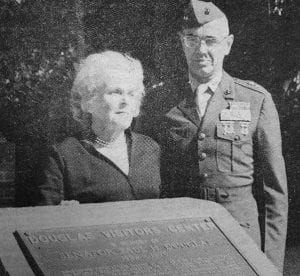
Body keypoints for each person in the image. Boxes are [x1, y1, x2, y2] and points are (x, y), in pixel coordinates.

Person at [157, 0, 288, 272]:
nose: (201, 50)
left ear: (227, 45)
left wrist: (271, 264)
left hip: (241, 239)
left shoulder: (254, 99)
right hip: (183, 241)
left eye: (210, 41)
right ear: (182, 43)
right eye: (192, 40)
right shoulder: (161, 100)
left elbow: (274, 191)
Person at [35, 51, 160, 205]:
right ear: (89, 100)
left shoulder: (150, 148)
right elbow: (45, 218)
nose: (125, 101)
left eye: (132, 94)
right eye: (116, 92)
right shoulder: (63, 155)